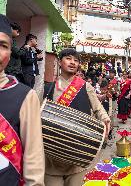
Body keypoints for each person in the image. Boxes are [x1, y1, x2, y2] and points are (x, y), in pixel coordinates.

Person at [43, 48, 110, 186]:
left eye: (76, 60)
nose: (72, 62)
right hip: (52, 158)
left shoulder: (85, 86)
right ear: (59, 62)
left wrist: (105, 119)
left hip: (78, 156)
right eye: (68, 58)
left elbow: (98, 108)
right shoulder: (48, 88)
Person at [0, 14, 45, 185]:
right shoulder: (24, 49)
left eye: (2, 45)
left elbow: (33, 161)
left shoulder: (24, 97)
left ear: (9, 52)